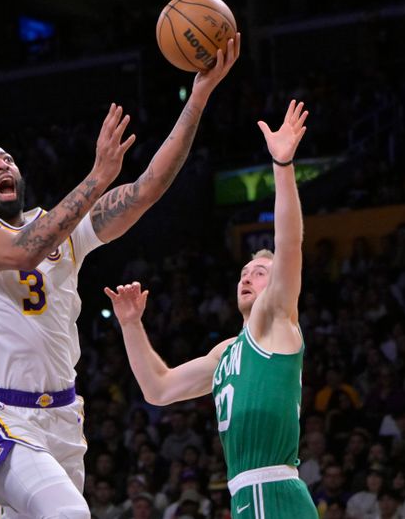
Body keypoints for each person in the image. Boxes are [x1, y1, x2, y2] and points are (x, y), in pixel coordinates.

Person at [0, 35, 240, 517]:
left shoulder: (63, 228)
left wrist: (197, 96)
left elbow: (147, 189)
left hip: (64, 416)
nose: (3, 164)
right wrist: (97, 177)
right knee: (71, 514)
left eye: (7, 159)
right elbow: (22, 252)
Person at [105, 100, 316, 518]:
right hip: (244, 495)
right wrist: (131, 325)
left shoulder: (275, 319)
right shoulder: (225, 354)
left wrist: (283, 165)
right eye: (245, 270)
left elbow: (289, 243)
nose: (247, 276)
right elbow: (158, 388)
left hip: (274, 492)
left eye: (259, 272)